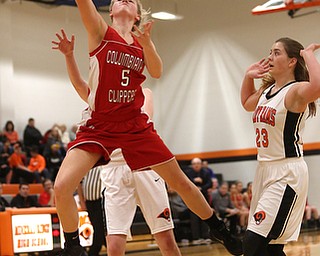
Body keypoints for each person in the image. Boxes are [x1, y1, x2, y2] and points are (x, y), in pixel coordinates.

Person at [51, 1, 243, 256]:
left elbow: (157, 70)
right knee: (61, 186)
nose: (124, 0)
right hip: (100, 126)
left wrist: (148, 44)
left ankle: (218, 228)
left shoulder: (142, 47)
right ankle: (73, 246)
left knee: (182, 183)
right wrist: (68, 56)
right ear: (110, 11)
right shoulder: (100, 32)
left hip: (134, 127)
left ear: (138, 15)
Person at [55, 31, 182, 255]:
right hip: (113, 171)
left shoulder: (144, 93)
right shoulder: (100, 97)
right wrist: (69, 55)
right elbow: (78, 84)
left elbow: (145, 120)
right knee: (113, 246)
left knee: (167, 241)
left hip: (143, 168)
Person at [240, 38, 320, 255]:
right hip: (264, 171)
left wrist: (309, 53)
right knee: (271, 249)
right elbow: (247, 102)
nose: (270, 57)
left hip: (286, 173)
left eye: (277, 53)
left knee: (252, 243)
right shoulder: (267, 91)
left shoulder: (294, 91)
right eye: (270, 52)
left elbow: (318, 85)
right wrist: (248, 76)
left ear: (292, 60)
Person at [77, 166, 106, 256]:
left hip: (100, 201)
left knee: (99, 231)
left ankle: (93, 252)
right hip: (89, 202)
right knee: (98, 230)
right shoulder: (87, 166)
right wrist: (82, 201)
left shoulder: (104, 166)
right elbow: (79, 184)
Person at [185, 157, 212, 244]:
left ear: (201, 164)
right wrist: (194, 181)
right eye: (194, 164)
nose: (196, 165)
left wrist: (201, 188)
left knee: (205, 216)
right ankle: (196, 238)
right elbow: (186, 183)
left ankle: (206, 236)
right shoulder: (188, 173)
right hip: (192, 198)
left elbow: (210, 184)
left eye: (198, 163)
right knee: (194, 218)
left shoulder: (206, 172)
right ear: (192, 165)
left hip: (204, 197)